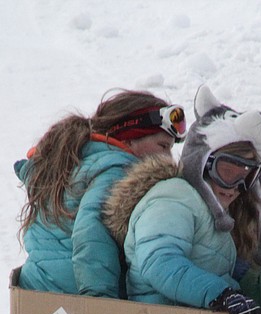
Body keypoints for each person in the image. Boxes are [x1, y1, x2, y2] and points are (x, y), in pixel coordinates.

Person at [101, 86, 261, 314]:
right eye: (228, 172)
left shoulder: (210, 216)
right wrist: (221, 295)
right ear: (203, 162)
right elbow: (159, 262)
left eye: (246, 177)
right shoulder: (173, 196)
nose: (235, 188)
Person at [15, 90, 186, 298]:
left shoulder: (76, 164)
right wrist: (99, 303)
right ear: (130, 138)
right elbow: (91, 233)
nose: (168, 157)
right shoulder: (116, 169)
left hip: (36, 292)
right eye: (163, 146)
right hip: (74, 296)